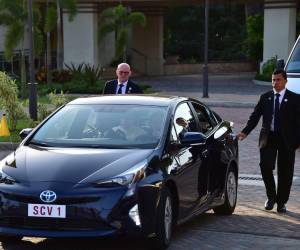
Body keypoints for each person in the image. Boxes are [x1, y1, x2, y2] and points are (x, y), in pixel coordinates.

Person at [237, 69, 300, 213]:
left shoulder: (295, 98)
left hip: (287, 140)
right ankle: (271, 197)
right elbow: (255, 116)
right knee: (265, 166)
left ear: (285, 81)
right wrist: (245, 131)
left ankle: (281, 202)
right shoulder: (265, 97)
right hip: (268, 138)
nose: (275, 83)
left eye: (278, 80)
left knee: (286, 172)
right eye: (273, 80)